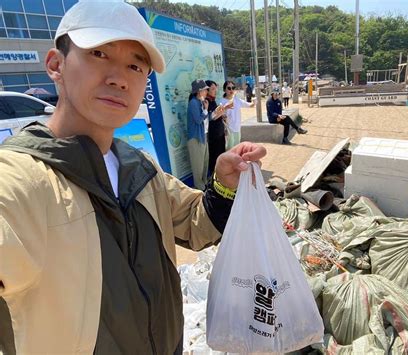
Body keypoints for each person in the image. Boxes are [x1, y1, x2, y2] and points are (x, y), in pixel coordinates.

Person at [0, 1, 266, 354]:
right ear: (55, 64)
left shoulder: (138, 168)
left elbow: (196, 223)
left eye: (135, 65)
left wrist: (223, 183)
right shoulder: (20, 178)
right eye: (98, 53)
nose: (119, 78)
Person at [187, 79, 210, 190]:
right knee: (198, 165)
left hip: (203, 136)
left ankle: (204, 183)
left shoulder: (201, 102)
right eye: (205, 90)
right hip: (195, 138)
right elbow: (198, 120)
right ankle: (200, 187)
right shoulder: (193, 103)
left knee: (205, 162)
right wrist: (206, 111)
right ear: (199, 91)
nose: (206, 92)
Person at [220, 80, 255, 150]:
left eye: (233, 88)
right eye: (229, 88)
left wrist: (254, 101)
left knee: (237, 149)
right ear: (224, 90)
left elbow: (250, 105)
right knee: (229, 150)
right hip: (229, 129)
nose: (231, 90)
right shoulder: (222, 102)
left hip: (237, 128)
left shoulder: (237, 100)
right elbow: (221, 116)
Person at [205, 80, 227, 174]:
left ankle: (220, 174)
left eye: (215, 88)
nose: (215, 91)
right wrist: (221, 112)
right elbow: (210, 118)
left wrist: (222, 114)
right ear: (207, 90)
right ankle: (215, 176)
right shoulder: (206, 102)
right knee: (214, 156)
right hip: (213, 135)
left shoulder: (213, 100)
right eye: (213, 89)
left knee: (221, 153)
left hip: (219, 133)